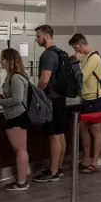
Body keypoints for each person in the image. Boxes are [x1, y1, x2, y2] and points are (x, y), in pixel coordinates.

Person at [32, 25, 67, 183]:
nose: (36, 39)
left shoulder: (47, 55)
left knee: (53, 135)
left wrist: (37, 93)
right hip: (60, 97)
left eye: (38, 36)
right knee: (59, 133)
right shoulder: (60, 52)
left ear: (46, 37)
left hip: (50, 99)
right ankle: (58, 167)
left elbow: (45, 79)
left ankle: (52, 171)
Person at [68, 34, 101, 174]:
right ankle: (86, 158)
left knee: (95, 130)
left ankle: (95, 161)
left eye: (75, 47)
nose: (75, 51)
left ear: (80, 45)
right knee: (83, 129)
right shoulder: (86, 57)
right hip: (86, 98)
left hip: (95, 98)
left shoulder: (94, 58)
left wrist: (76, 62)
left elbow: (81, 77)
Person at [0, 48, 31, 191]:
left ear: (9, 60)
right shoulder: (15, 75)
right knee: (21, 149)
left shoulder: (16, 77)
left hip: (16, 115)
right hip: (16, 115)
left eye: (3, 58)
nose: (0, 62)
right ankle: (21, 179)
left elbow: (17, 98)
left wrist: (0, 101)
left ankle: (21, 181)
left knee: (20, 150)